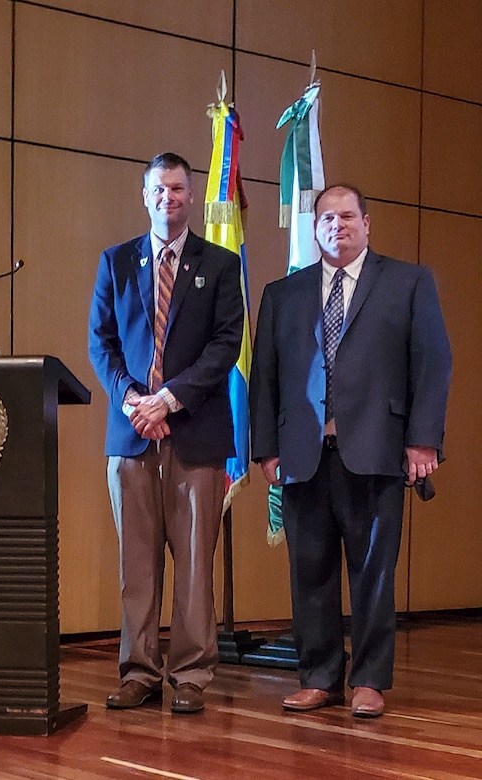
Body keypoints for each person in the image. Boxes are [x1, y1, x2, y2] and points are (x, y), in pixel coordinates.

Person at [249, 184, 451, 718]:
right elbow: (264, 379)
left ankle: (368, 680)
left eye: (346, 216)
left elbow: (432, 363)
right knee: (309, 571)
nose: (336, 225)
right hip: (302, 455)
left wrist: (423, 439)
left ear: (367, 222)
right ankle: (318, 677)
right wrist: (265, 449)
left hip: (378, 451)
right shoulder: (282, 293)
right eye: (325, 218)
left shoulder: (409, 282)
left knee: (374, 573)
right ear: (313, 230)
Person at [88, 152, 243, 713]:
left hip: (195, 436)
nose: (167, 198)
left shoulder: (221, 265)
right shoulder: (115, 262)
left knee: (195, 564)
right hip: (131, 436)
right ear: (145, 194)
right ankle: (139, 671)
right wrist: (133, 399)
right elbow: (99, 344)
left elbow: (226, 345)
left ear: (190, 195)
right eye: (159, 189)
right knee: (137, 564)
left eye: (177, 189)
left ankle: (191, 676)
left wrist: (168, 400)